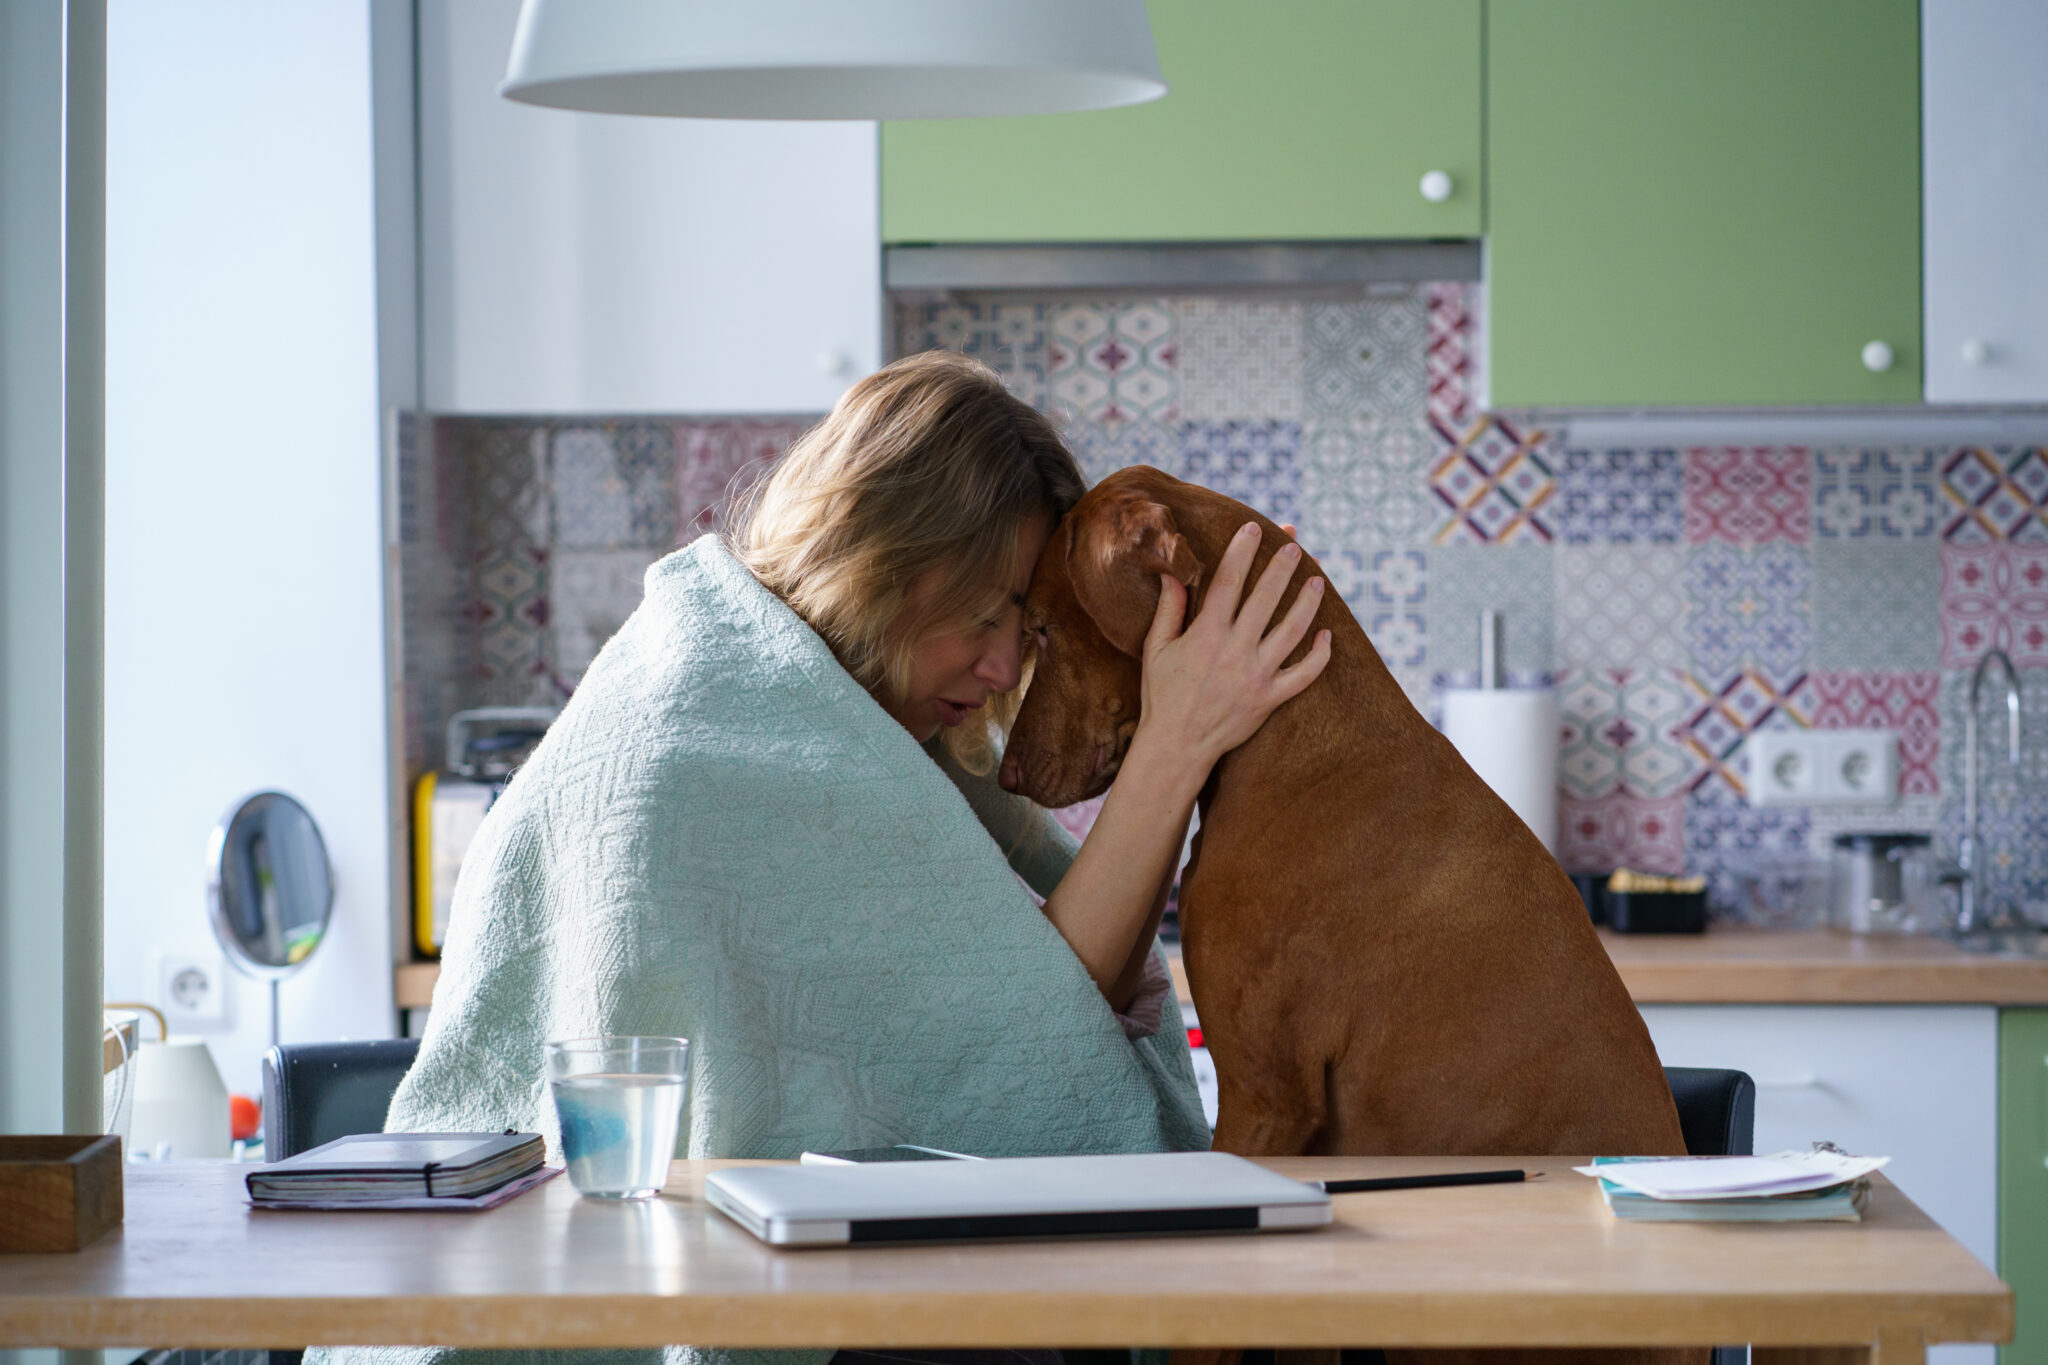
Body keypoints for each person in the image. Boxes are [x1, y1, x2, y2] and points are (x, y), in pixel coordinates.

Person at [330, 351, 1327, 1365]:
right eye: (982, 616)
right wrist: (1174, 743)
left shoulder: (849, 731)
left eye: (1019, 632)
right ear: (882, 554)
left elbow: (1034, 1000)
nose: (998, 671)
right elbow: (1035, 1034)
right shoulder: (718, 737)